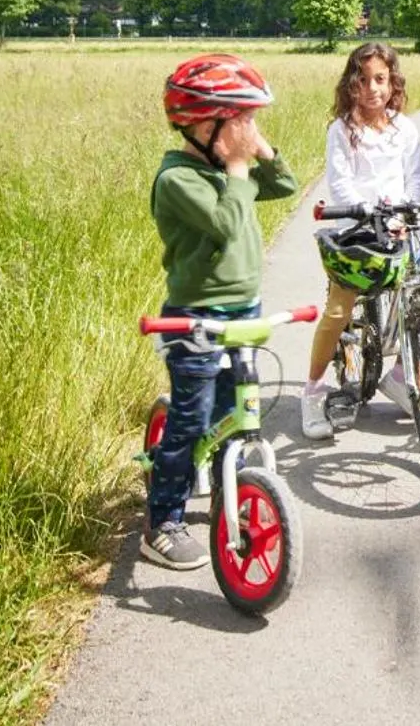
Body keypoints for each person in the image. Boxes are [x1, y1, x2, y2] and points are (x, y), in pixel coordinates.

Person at [144, 53, 298, 571]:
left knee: (235, 404)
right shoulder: (179, 180)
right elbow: (229, 225)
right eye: (241, 120)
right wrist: (236, 166)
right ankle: (163, 519)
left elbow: (283, 187)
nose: (249, 131)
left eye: (252, 120)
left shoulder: (227, 168)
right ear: (202, 124)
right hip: (194, 317)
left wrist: (259, 152)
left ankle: (226, 475)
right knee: (190, 421)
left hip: (243, 309)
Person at [301, 42, 420, 441]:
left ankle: (401, 376)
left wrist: (406, 211)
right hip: (354, 227)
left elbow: (415, 176)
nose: (373, 88)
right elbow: (339, 182)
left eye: (381, 79)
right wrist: (364, 208)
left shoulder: (404, 128)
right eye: (364, 79)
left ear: (393, 83)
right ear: (351, 84)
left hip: (396, 226)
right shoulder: (341, 131)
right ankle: (313, 390)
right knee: (339, 310)